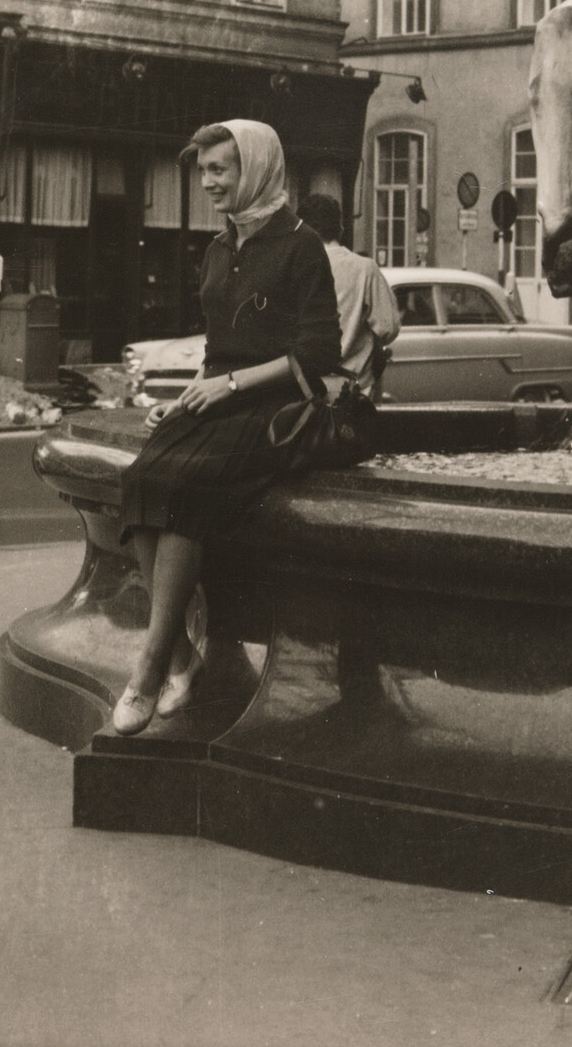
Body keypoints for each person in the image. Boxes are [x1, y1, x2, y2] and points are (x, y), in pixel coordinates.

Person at [112, 120, 363, 736]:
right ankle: (181, 657)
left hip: (269, 404)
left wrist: (229, 385)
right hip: (218, 395)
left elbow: (319, 352)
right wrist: (183, 400)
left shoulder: (301, 244)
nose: (208, 183)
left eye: (220, 169)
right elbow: (221, 344)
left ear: (254, 168)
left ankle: (148, 668)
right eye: (202, 171)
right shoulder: (220, 247)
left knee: (189, 487)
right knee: (142, 482)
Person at [297, 193, 402, 397]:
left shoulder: (295, 267)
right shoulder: (365, 268)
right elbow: (388, 328)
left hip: (304, 388)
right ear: (340, 228)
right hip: (353, 388)